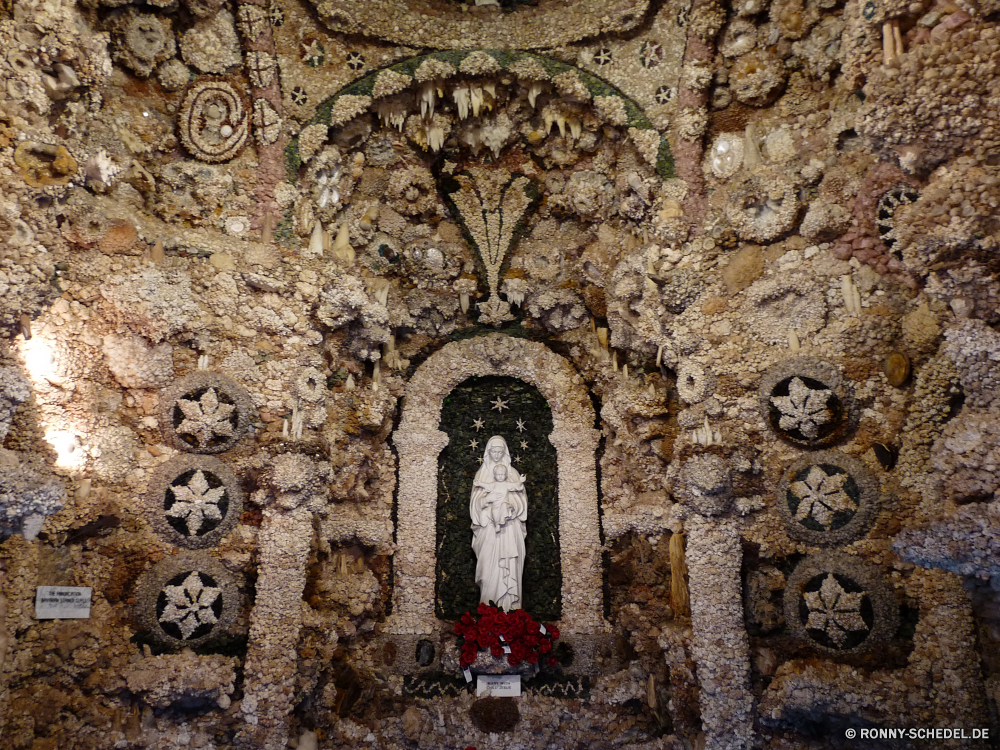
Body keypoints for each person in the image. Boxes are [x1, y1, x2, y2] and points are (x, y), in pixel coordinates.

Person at [470, 436, 527, 612]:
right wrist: (486, 500)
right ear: (488, 452)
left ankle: (511, 609)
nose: (496, 455)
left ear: (505, 452)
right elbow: (474, 504)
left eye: (499, 452)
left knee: (510, 566)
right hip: (488, 529)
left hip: (509, 528)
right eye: (493, 452)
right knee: (488, 570)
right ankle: (488, 610)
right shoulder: (481, 475)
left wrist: (511, 506)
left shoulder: (513, 474)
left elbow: (522, 500)